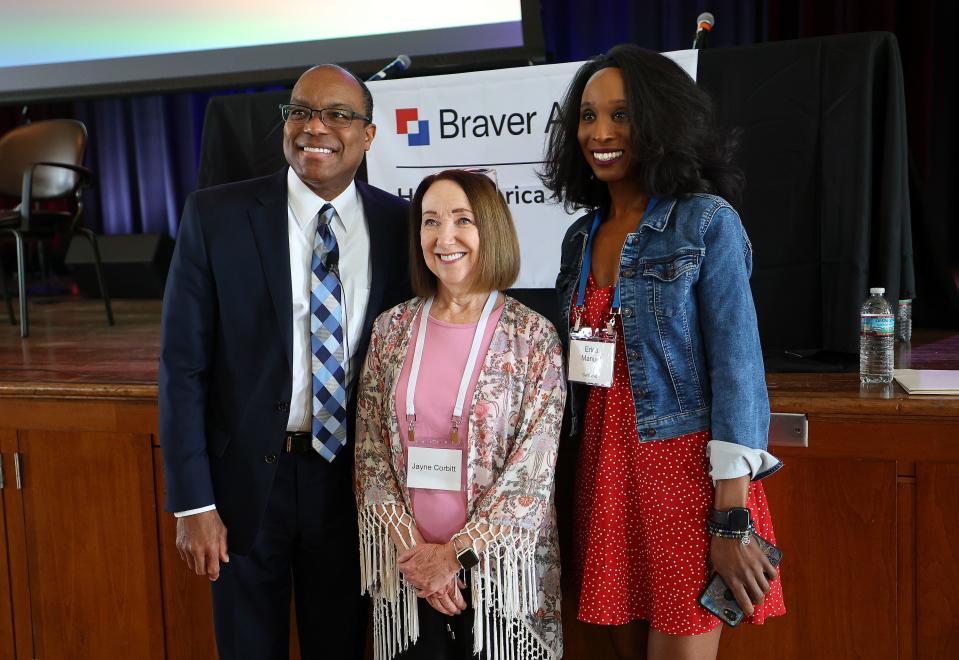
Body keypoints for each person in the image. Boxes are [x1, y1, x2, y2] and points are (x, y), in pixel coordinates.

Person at [542, 45, 786, 660]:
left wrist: (730, 517)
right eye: (589, 116)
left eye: (621, 115)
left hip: (686, 476)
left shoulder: (705, 223)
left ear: (659, 121)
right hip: (603, 470)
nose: (600, 133)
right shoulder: (581, 237)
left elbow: (738, 369)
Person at [159, 64, 410, 659]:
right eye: (300, 111)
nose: (314, 127)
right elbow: (182, 368)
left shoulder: (400, 225)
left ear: (369, 135)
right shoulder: (214, 217)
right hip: (245, 489)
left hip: (353, 487)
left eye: (338, 115)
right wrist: (194, 503)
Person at [354, 169, 565, 660]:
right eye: (429, 221)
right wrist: (418, 556)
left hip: (501, 576)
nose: (443, 237)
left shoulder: (533, 336)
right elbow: (368, 452)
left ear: (489, 229)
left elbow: (531, 474)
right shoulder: (392, 329)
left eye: (461, 219)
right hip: (408, 570)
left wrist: (453, 557)